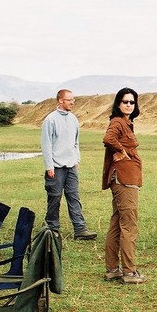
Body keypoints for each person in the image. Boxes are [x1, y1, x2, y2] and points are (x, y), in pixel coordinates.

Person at [40, 89, 97, 240]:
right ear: (61, 101)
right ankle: (52, 228)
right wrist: (49, 166)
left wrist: (77, 159)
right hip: (56, 167)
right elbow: (46, 145)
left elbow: (75, 142)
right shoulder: (50, 120)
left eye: (73, 100)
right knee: (54, 197)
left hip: (71, 166)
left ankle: (80, 229)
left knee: (74, 197)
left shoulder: (73, 119)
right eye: (69, 100)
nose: (72, 102)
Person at [102, 88, 145, 284]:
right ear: (118, 104)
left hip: (125, 178)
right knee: (129, 224)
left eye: (132, 102)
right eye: (125, 101)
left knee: (117, 222)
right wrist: (121, 150)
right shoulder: (118, 122)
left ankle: (113, 269)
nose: (129, 105)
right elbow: (108, 139)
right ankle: (129, 271)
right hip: (123, 179)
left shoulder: (126, 123)